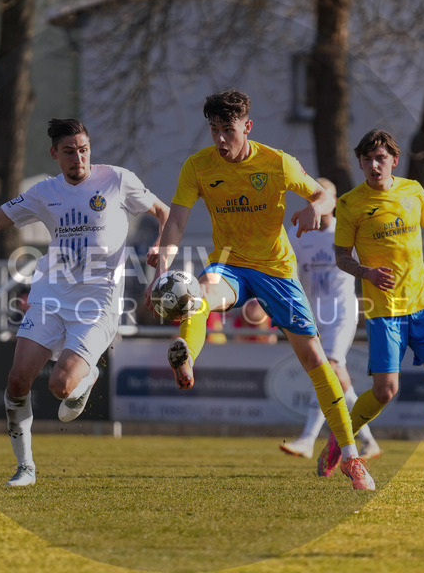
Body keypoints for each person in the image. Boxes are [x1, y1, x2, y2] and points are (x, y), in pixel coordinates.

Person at [0, 118, 169, 487]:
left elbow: (163, 212)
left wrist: (161, 250)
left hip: (97, 303)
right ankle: (26, 468)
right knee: (17, 380)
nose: (78, 158)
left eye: (83, 150)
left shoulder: (116, 179)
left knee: (61, 387)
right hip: (51, 295)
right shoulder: (44, 192)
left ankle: (88, 374)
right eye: (69, 152)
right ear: (54, 154)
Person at [145, 89, 375, 490]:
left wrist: (314, 209)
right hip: (229, 262)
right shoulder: (197, 167)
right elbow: (176, 223)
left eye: (227, 130)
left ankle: (353, 459)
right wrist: (161, 269)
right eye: (213, 130)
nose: (219, 139)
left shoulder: (277, 162)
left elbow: (322, 194)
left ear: (247, 127)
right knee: (197, 293)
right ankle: (187, 360)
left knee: (317, 362)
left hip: (276, 271)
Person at [333, 129, 424, 479]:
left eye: (380, 158)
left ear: (393, 160)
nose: (373, 165)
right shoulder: (350, 203)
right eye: (366, 159)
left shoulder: (412, 190)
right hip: (385, 312)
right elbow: (340, 256)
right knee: (385, 391)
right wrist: (366, 271)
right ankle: (341, 441)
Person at [280, 178, 382, 468]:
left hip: (341, 313)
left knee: (329, 368)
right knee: (337, 377)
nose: (319, 202)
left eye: (326, 196)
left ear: (335, 202)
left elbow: (368, 267)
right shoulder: (298, 233)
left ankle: (307, 439)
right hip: (312, 314)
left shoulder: (346, 232)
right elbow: (287, 272)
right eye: (313, 196)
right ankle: (369, 440)